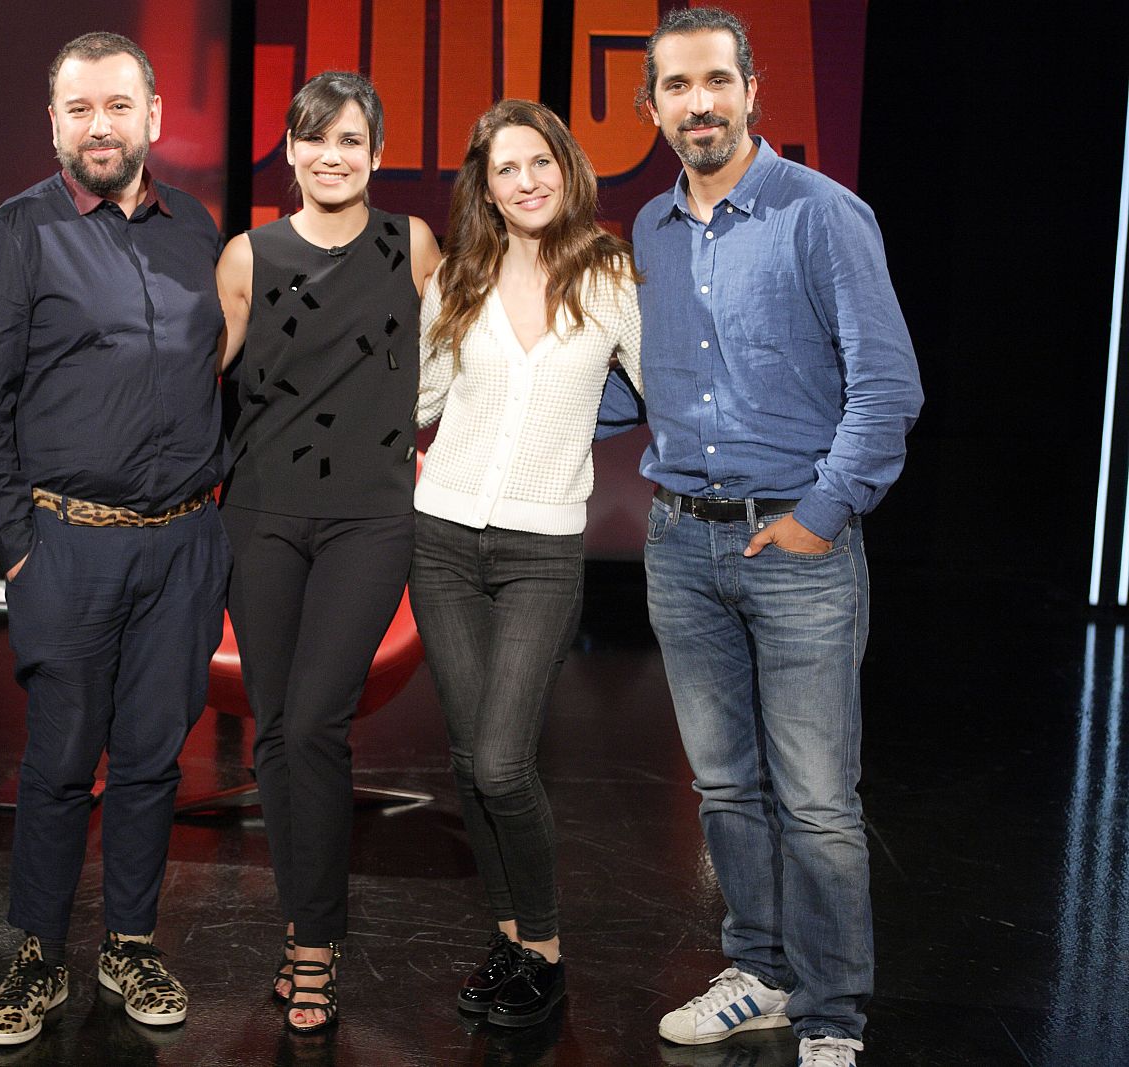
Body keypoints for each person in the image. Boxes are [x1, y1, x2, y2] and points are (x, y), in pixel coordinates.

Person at [617, 9, 923, 1066]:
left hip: (794, 547)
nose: (698, 102)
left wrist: (818, 519)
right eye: (677, 85)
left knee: (817, 801)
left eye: (716, 80)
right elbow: (642, 388)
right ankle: (760, 970)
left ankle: (833, 1014)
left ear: (752, 90)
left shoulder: (821, 214)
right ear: (651, 106)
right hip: (679, 545)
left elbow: (886, 388)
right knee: (723, 787)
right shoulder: (650, 230)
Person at [0, 31, 229, 1045]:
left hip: (183, 548)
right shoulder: (21, 228)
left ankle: (130, 942)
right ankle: (36, 956)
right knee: (63, 759)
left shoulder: (197, 229)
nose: (99, 126)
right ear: (54, 123)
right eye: (79, 109)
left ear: (152, 115)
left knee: (153, 759)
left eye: (117, 105)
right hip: (66, 546)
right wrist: (18, 545)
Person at [214, 70, 440, 1034]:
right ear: (290, 150)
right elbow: (197, 378)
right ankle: (305, 927)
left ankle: (315, 945)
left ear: (377, 153)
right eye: (315, 138)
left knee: (314, 721)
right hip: (261, 510)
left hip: (370, 517)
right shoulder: (247, 256)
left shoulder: (412, 244)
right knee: (274, 728)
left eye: (351, 139)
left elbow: (463, 362)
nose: (332, 155)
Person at [408, 99, 641, 1029]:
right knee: (471, 759)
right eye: (506, 168)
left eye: (539, 161)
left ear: (566, 167)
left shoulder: (608, 273)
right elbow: (419, 401)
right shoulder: (460, 276)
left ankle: (543, 949)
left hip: (543, 549)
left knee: (505, 761)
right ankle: (509, 938)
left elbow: (666, 389)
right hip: (441, 537)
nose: (527, 180)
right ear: (488, 187)